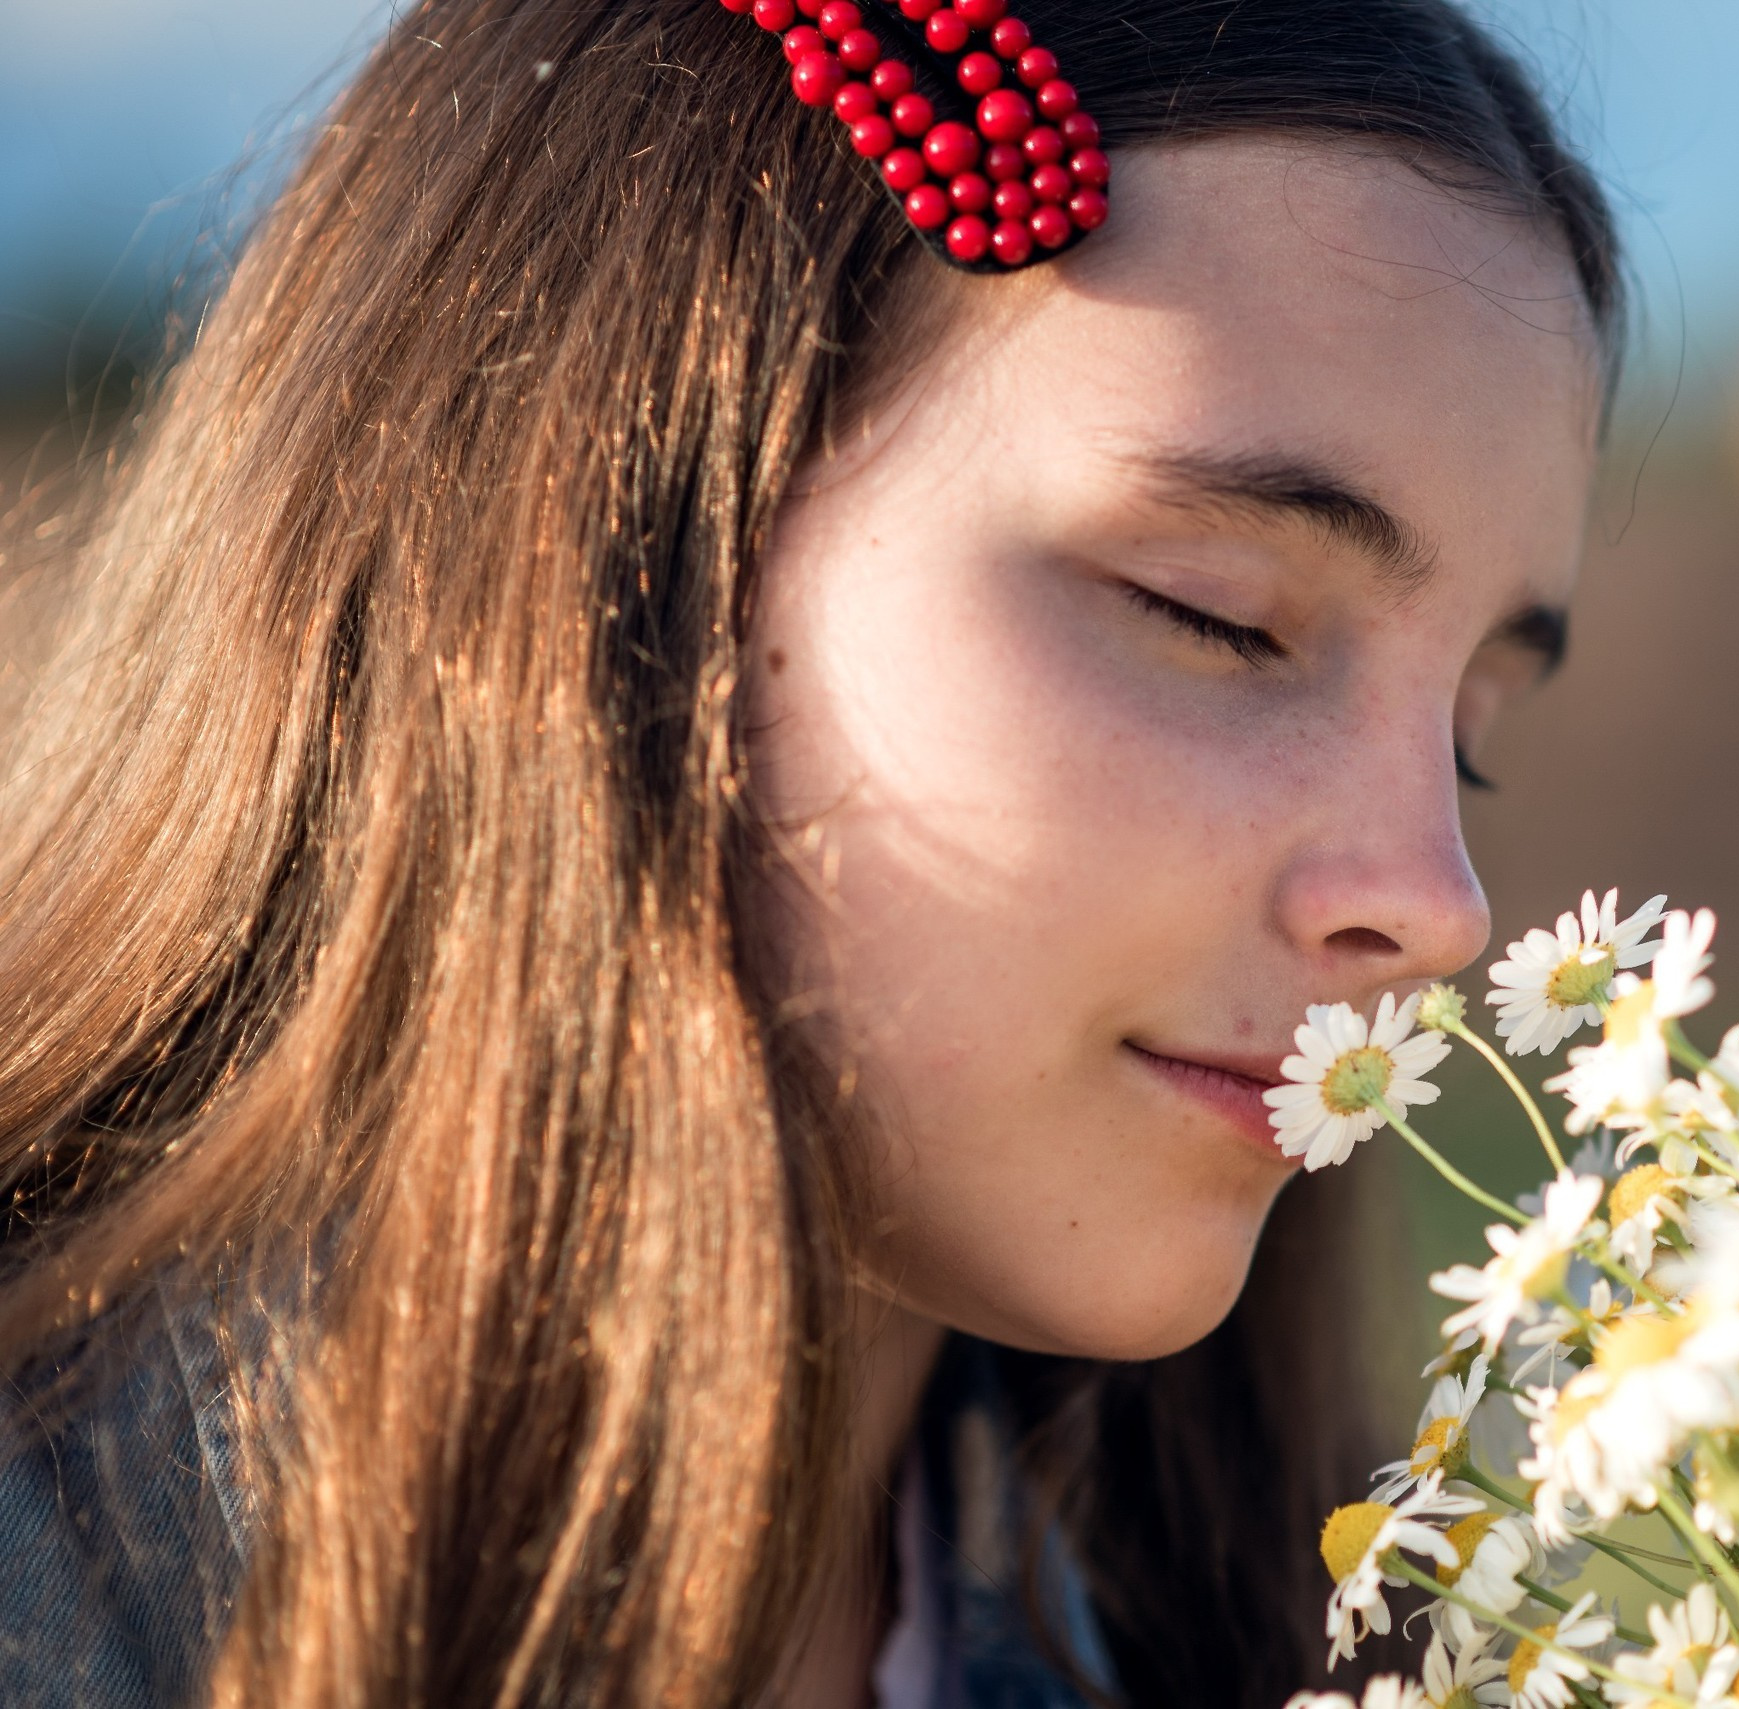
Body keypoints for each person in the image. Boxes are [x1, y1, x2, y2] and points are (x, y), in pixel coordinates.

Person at [0, 1, 1620, 1704]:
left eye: (1468, 738)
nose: (1439, 906)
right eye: (1212, 616)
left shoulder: (1346, 1646)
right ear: (610, 532)